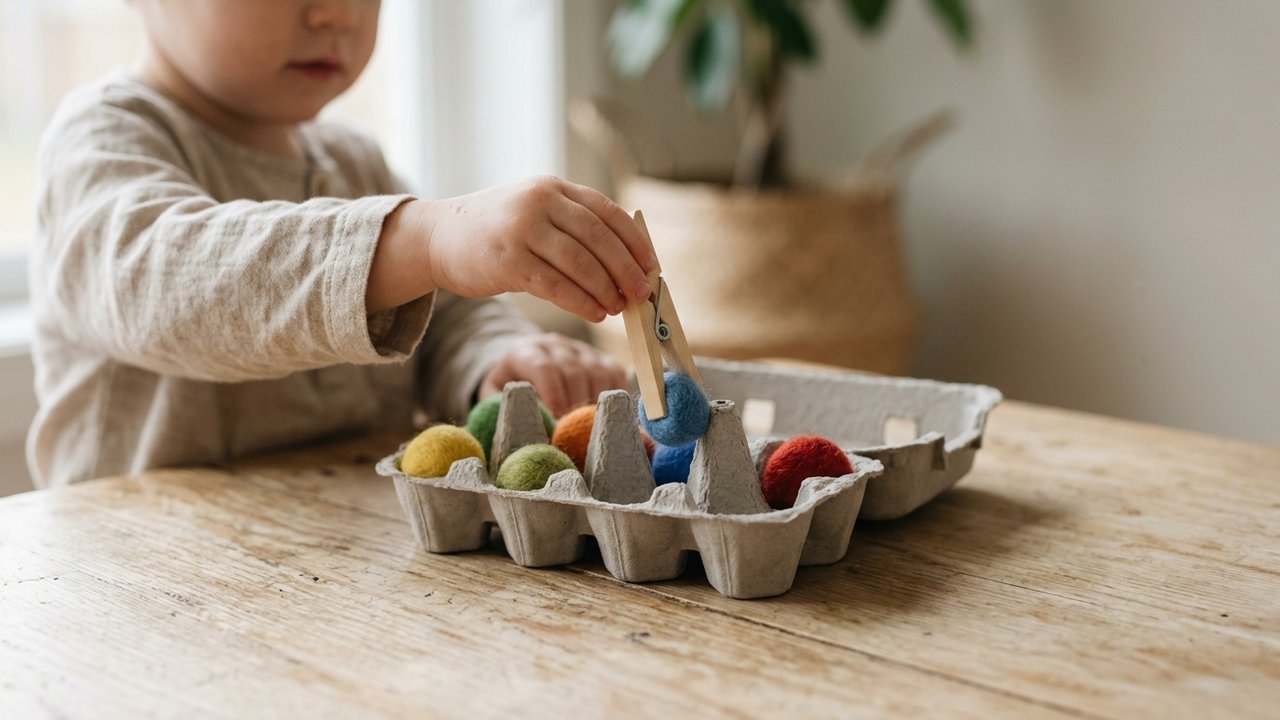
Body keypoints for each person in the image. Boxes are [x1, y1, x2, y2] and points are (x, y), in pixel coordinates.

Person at [27, 0, 657, 488]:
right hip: (134, 593)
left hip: (334, 576)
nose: (338, 14)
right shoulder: (103, 141)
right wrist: (427, 238)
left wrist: (499, 360)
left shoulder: (354, 162)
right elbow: (169, 284)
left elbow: (445, 317)